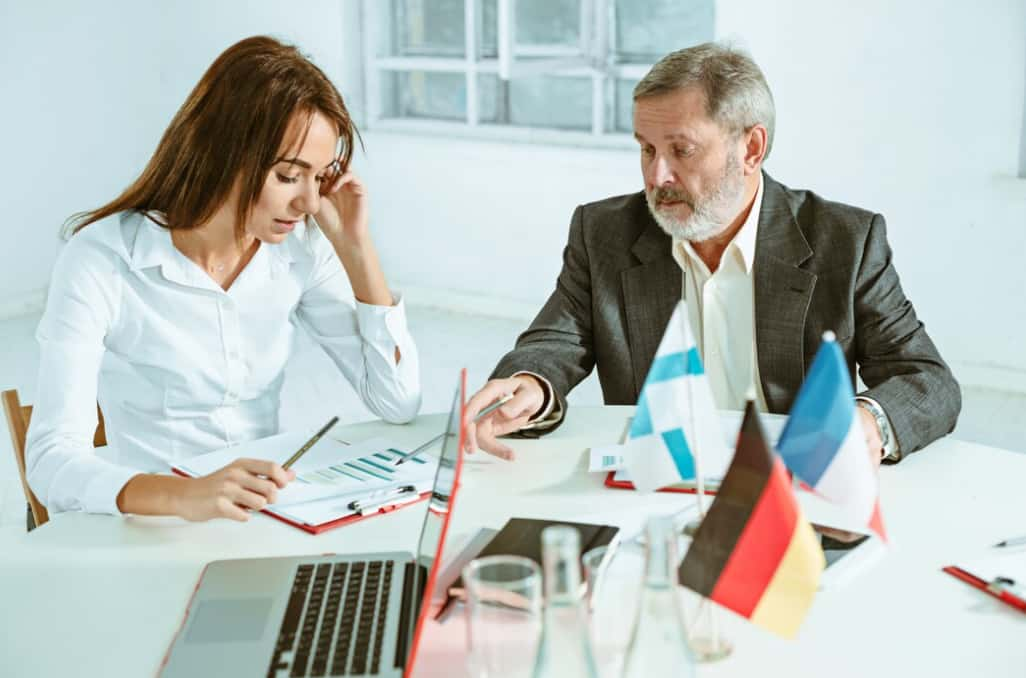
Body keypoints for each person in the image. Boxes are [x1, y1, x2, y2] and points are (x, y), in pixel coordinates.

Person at [465, 42, 960, 467]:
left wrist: (865, 422)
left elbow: (926, 380)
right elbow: (555, 341)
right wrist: (530, 382)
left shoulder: (844, 241)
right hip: (655, 485)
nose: (657, 177)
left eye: (682, 150)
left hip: (789, 492)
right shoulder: (605, 232)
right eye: (646, 149)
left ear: (751, 149)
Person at [25, 36, 420, 522]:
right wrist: (183, 495)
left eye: (319, 178)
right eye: (288, 175)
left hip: (264, 517)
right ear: (224, 152)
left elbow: (398, 401)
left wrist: (356, 250)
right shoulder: (102, 259)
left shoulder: (300, 248)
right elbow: (50, 461)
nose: (310, 203)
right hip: (157, 526)